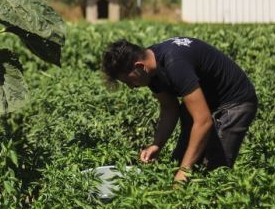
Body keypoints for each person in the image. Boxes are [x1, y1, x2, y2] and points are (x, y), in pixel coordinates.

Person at [101, 37, 257, 183]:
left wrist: (184, 171)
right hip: (205, 99)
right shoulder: (151, 68)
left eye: (129, 81)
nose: (130, 87)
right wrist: (157, 144)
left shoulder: (174, 63)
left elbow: (203, 121)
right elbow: (169, 107)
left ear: (140, 67)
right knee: (178, 162)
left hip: (234, 102)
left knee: (213, 172)